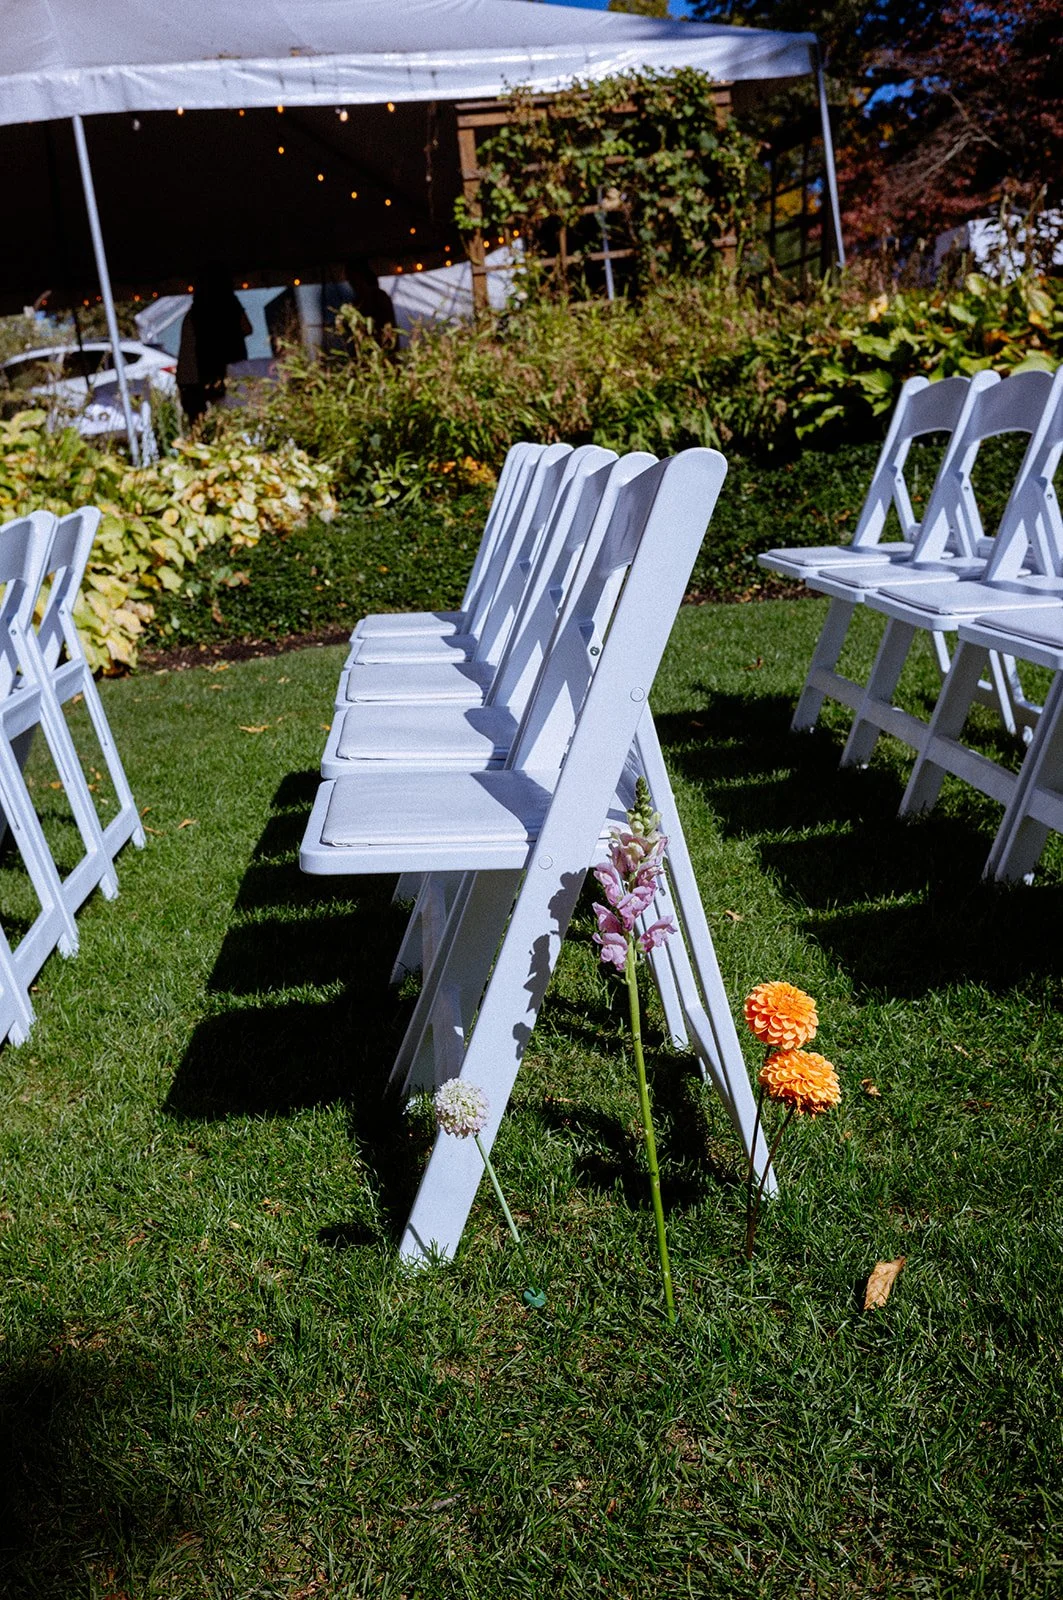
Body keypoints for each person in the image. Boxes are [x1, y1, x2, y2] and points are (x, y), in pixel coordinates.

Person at [176, 263, 252, 424]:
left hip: (197, 378)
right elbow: (247, 328)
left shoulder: (194, 314)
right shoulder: (229, 305)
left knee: (202, 426)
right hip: (219, 374)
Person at [344, 257, 397, 349]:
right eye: (349, 280)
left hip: (381, 351)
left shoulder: (379, 297)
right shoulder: (357, 301)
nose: (351, 283)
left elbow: (387, 327)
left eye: (352, 279)